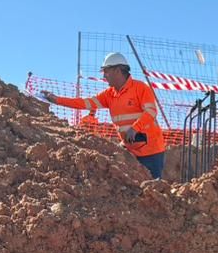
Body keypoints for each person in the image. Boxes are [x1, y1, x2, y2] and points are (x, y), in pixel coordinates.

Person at [39, 52, 168, 179]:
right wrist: (58, 100)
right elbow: (86, 103)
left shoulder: (140, 88)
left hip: (151, 151)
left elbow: (151, 112)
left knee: (151, 190)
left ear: (118, 70)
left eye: (106, 71)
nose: (104, 76)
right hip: (130, 150)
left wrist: (135, 128)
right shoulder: (109, 94)